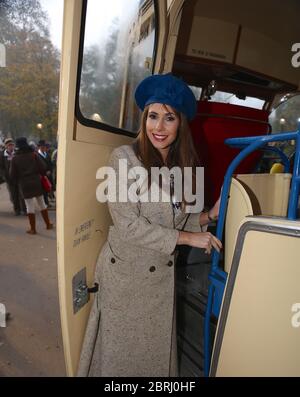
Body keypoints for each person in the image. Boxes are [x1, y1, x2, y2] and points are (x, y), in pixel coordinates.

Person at [77, 73, 222, 377]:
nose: (159, 127)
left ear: (180, 123)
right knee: (120, 360)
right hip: (126, 277)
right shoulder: (124, 159)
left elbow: (183, 219)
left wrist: (209, 216)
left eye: (169, 118)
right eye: (153, 116)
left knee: (153, 360)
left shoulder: (187, 167)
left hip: (159, 280)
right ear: (144, 119)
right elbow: (128, 225)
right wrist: (188, 238)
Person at [9, 137, 53, 234]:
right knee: (42, 203)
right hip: (36, 182)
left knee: (29, 206)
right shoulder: (33, 155)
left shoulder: (15, 159)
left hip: (24, 185)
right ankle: (48, 224)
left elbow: (12, 175)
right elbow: (43, 167)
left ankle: (33, 229)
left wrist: (17, 181)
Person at [0, 138, 26, 215]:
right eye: (9, 145)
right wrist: (4, 176)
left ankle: (24, 210)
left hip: (19, 177)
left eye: (12, 145)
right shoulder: (2, 155)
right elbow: (1, 167)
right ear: (6, 146)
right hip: (9, 178)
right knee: (14, 195)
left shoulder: (17, 153)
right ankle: (17, 210)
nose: (11, 147)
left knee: (21, 194)